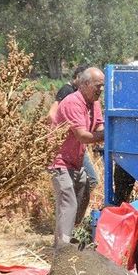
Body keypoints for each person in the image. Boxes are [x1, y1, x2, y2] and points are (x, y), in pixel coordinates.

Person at [50, 67, 105, 246]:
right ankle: (63, 250)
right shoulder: (73, 102)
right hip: (58, 160)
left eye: (103, 86)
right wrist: (111, 135)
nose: (101, 90)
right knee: (68, 202)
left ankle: (65, 234)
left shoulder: (94, 103)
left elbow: (98, 126)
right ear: (85, 84)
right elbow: (82, 136)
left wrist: (108, 131)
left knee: (84, 191)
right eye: (98, 86)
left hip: (75, 161)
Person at [47, 65, 99, 189]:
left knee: (85, 181)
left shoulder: (86, 97)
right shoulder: (68, 90)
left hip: (77, 142)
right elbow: (51, 114)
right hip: (66, 145)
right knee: (90, 179)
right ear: (77, 78)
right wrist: (62, 132)